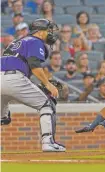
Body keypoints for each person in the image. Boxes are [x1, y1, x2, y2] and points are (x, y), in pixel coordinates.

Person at [1, 18, 65, 151]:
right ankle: (48, 142)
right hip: (14, 79)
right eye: (48, 30)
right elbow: (34, 64)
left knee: (3, 118)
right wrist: (47, 84)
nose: (50, 33)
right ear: (40, 32)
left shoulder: (17, 41)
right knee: (46, 104)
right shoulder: (35, 41)